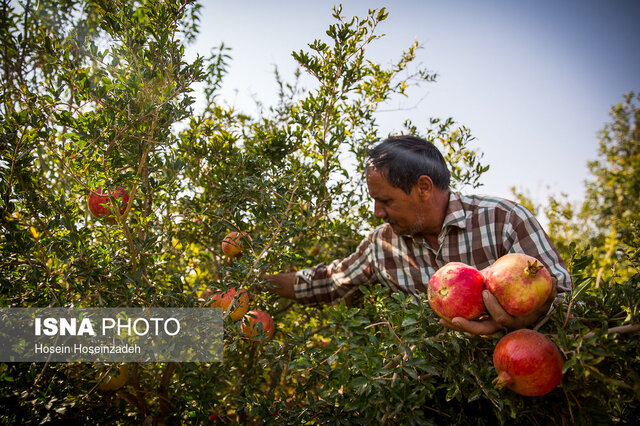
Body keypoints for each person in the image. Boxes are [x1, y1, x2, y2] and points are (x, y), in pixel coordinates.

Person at [265, 135, 572, 335]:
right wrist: (252, 281)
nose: (377, 212)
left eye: (386, 201)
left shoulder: (503, 221)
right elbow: (327, 283)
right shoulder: (381, 246)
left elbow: (571, 301)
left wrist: (530, 319)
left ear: (424, 187)